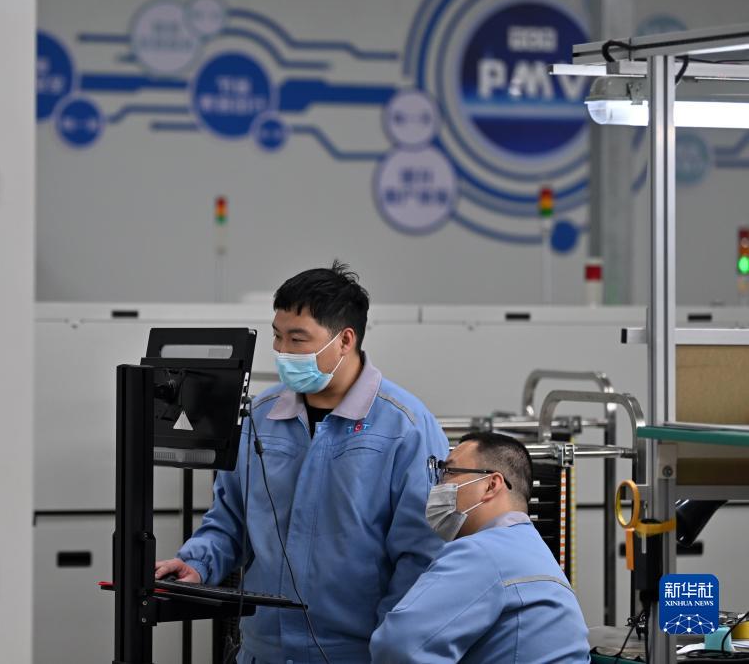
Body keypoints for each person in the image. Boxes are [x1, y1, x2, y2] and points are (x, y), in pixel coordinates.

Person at [155, 261, 449, 663]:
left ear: (345, 340)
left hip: (356, 654)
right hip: (264, 650)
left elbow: (421, 555)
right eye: (277, 336)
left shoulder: (406, 428)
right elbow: (230, 521)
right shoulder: (260, 417)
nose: (282, 351)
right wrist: (197, 564)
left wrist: (391, 648)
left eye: (298, 339)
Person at [370, 432, 591, 663]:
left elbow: (399, 645)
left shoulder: (483, 552)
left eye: (449, 472)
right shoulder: (533, 550)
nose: (438, 485)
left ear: (491, 485)